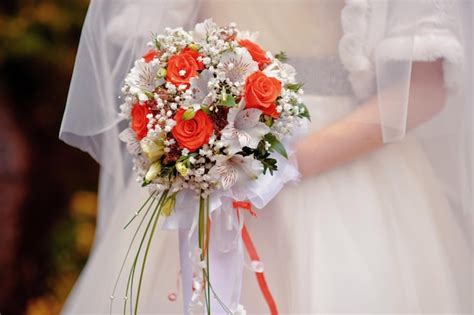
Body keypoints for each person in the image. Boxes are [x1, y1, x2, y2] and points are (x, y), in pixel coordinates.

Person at [60, 0, 472, 314]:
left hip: (348, 169)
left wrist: (277, 165)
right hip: (203, 167)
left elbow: (423, 89)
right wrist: (194, 138)